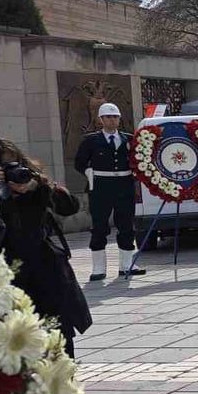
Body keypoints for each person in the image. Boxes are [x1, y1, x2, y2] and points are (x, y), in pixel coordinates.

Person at [0, 137, 90, 357]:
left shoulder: (35, 187)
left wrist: (42, 184)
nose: (11, 173)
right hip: (5, 279)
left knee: (59, 342)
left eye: (14, 165)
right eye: (3, 168)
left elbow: (70, 207)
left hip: (47, 274)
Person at [72, 102, 143, 280]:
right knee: (99, 226)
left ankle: (126, 265)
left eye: (115, 117)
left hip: (124, 184)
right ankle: (98, 268)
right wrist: (89, 173)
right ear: (101, 120)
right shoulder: (91, 140)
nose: (112, 120)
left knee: (126, 225)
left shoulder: (129, 139)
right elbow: (79, 162)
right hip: (101, 186)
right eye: (108, 117)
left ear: (119, 119)